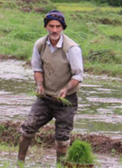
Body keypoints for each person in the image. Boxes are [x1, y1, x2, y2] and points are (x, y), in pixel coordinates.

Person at [18, 10, 84, 163]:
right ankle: (19, 163)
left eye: (58, 27)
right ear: (46, 27)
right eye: (51, 26)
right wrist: (39, 84)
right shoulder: (40, 45)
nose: (54, 30)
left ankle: (60, 165)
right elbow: (37, 68)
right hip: (45, 97)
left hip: (66, 100)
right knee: (27, 128)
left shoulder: (72, 48)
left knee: (62, 137)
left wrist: (66, 89)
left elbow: (78, 75)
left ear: (62, 28)